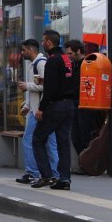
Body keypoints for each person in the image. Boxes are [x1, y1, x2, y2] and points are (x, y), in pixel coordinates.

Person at [31, 29, 78, 190]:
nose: (42, 43)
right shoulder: (67, 59)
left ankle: (46, 175)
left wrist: (41, 109)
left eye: (43, 41)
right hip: (69, 105)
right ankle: (64, 179)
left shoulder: (52, 61)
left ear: (49, 42)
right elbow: (68, 81)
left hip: (56, 105)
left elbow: (50, 89)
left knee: (38, 138)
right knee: (63, 142)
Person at [14, 39, 57, 184]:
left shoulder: (41, 63)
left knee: (29, 139)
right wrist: (27, 104)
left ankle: (33, 172)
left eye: (23, 50)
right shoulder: (34, 64)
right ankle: (54, 173)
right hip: (36, 108)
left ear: (31, 50)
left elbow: (47, 86)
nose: (22, 53)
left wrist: (27, 85)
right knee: (50, 142)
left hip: (40, 109)